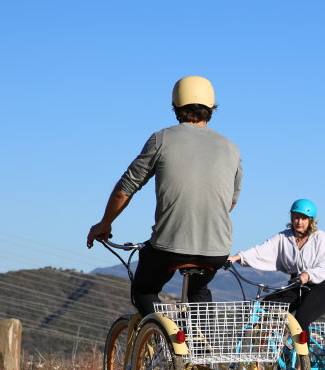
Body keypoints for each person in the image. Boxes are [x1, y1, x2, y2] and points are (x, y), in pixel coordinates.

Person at [86, 75, 243, 317]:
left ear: (176, 105)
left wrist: (105, 223)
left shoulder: (162, 139)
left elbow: (126, 187)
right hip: (217, 249)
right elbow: (230, 201)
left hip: (170, 247)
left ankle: (164, 339)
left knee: (144, 289)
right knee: (199, 290)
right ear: (211, 107)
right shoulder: (232, 148)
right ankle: (200, 348)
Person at [228, 199, 325, 335]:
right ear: (291, 217)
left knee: (301, 320)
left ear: (311, 220)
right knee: (265, 308)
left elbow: (324, 264)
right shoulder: (283, 237)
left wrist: (307, 275)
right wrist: (238, 257)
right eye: (296, 217)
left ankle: (304, 356)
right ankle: (273, 351)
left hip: (317, 286)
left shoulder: (319, 237)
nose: (299, 222)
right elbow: (261, 250)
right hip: (295, 285)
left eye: (304, 218)